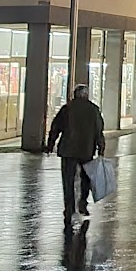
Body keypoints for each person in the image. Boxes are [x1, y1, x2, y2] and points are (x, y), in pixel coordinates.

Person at [46, 83, 105, 229]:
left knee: (68, 181)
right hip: (86, 149)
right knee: (85, 178)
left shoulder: (68, 108)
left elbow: (56, 126)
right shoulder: (93, 110)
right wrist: (101, 147)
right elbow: (99, 130)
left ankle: (69, 208)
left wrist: (50, 143)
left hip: (68, 150)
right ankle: (83, 203)